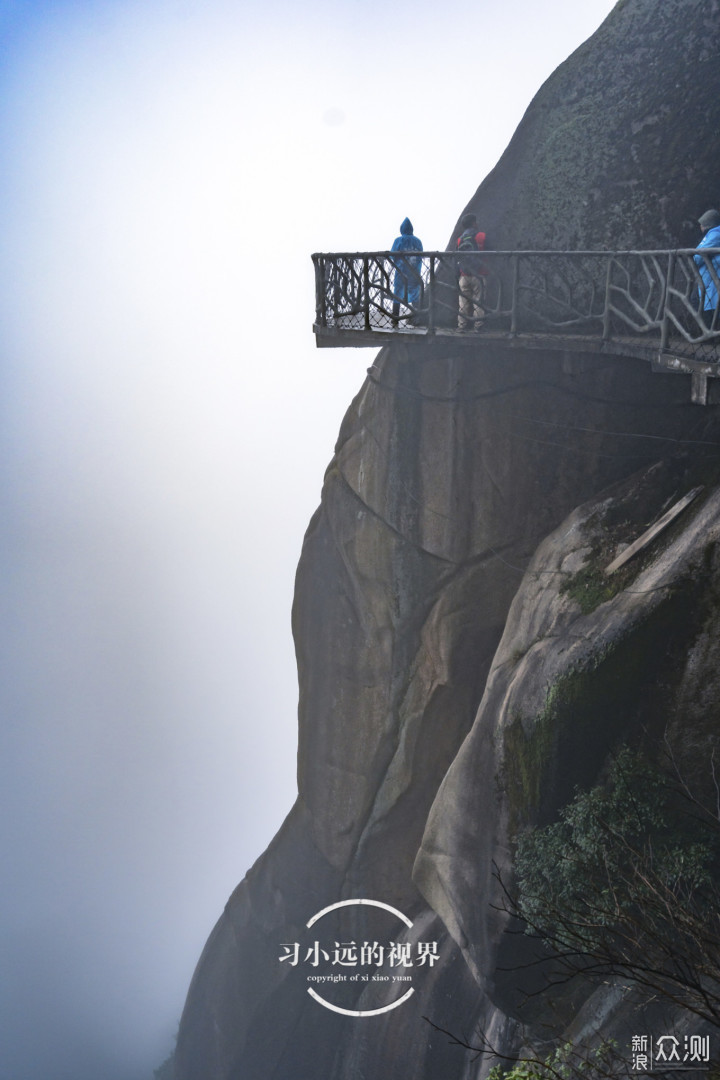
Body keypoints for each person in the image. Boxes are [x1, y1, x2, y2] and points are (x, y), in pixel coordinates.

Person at [456, 212, 487, 330]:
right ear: (473, 223)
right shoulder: (482, 236)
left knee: (463, 303)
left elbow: (456, 257)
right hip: (479, 274)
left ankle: (461, 326)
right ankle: (478, 326)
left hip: (463, 275)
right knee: (478, 302)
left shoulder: (459, 240)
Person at [391, 218, 423, 323]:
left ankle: (395, 318)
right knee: (415, 293)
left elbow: (392, 255)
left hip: (401, 272)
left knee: (397, 293)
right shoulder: (418, 241)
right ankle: (417, 317)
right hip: (414, 272)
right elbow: (420, 256)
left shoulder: (398, 240)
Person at [694, 209, 720, 329]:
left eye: (702, 224)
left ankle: (710, 338)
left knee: (711, 307)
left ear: (708, 224)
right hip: (708, 277)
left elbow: (698, 256)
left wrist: (694, 257)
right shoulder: (712, 235)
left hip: (713, 276)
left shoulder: (715, 235)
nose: (700, 226)